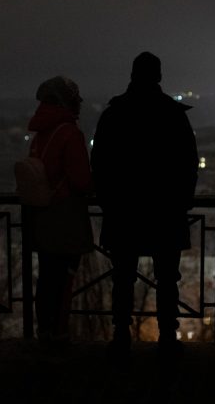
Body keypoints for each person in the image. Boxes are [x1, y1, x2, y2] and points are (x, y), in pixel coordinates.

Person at [90, 51, 198, 360]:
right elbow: (188, 164)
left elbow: (100, 165)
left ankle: (121, 335)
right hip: (165, 211)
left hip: (124, 211)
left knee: (122, 278)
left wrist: (110, 203)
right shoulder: (174, 114)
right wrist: (181, 203)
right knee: (167, 279)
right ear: (159, 76)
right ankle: (167, 337)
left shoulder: (114, 114)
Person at [23, 76, 93, 346]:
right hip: (65, 217)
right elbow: (82, 181)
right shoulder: (69, 134)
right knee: (64, 279)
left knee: (47, 277)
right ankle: (59, 333)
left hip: (42, 215)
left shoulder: (40, 134)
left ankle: (45, 331)